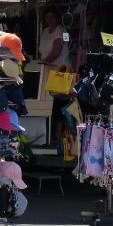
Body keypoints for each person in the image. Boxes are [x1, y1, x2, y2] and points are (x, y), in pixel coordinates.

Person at [38, 8, 72, 154]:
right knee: (50, 103)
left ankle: (61, 139)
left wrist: (44, 61)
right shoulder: (45, 31)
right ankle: (54, 136)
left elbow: (57, 51)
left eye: (52, 17)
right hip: (47, 71)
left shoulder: (61, 31)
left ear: (57, 18)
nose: (49, 20)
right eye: (47, 17)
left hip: (60, 72)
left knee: (60, 104)